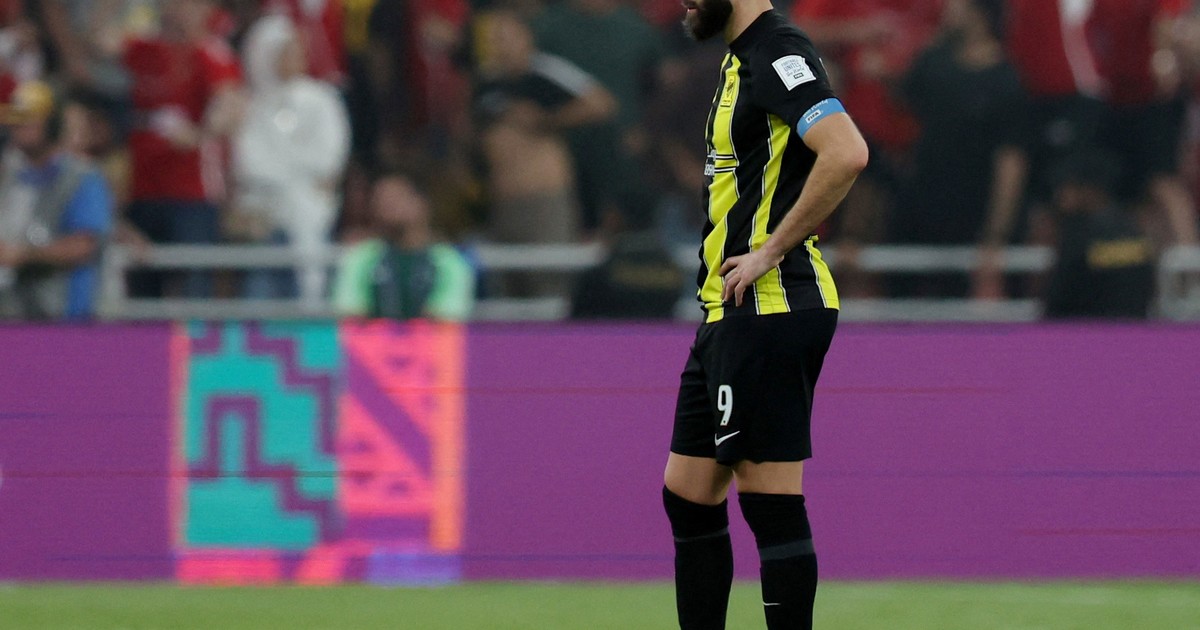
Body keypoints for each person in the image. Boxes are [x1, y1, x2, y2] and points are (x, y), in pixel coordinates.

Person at [664, 0, 868, 628]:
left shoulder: (778, 51)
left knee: (769, 498)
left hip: (771, 303)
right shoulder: (742, 58)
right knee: (688, 494)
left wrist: (770, 249)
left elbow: (846, 151)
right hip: (728, 311)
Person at [893, 0, 1029, 298]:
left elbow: (1010, 162)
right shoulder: (932, 63)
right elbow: (901, 115)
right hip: (920, 210)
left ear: (978, 12)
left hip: (972, 215)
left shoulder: (1006, 81)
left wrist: (996, 234)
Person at [122, 0, 243, 298]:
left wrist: (201, 133)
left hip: (192, 193)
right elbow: (98, 46)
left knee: (194, 285)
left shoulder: (211, 53)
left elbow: (231, 104)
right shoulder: (143, 48)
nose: (180, 10)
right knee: (142, 287)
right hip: (143, 188)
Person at [234, 13, 350, 310]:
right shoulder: (252, 106)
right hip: (264, 217)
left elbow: (327, 157)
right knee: (259, 296)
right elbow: (250, 163)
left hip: (309, 216)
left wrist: (286, 169)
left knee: (310, 289)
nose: (295, 57)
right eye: (285, 51)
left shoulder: (322, 99)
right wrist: (296, 172)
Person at [0, 81, 113, 320]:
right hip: (13, 313)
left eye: (27, 121)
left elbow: (84, 245)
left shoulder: (82, 177)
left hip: (64, 318)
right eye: (15, 120)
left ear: (52, 124)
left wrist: (22, 255)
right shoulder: (10, 175)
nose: (17, 128)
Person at [332, 172, 474, 321]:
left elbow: (447, 319)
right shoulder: (361, 258)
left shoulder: (449, 262)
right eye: (379, 200)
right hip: (373, 337)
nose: (386, 207)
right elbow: (351, 316)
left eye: (395, 199)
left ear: (421, 203)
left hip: (428, 336)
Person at [1043, 151, 1156, 319]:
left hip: (1087, 328)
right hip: (1134, 328)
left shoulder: (1080, 234)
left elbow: (1059, 298)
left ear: (1090, 190)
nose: (1060, 195)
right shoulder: (1133, 230)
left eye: (1067, 187)